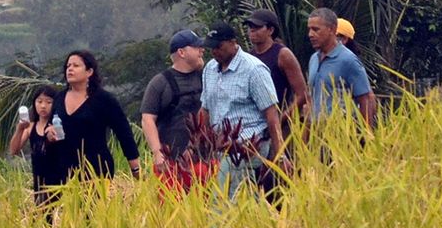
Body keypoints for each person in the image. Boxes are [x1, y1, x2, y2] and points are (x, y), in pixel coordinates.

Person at [201, 21, 290, 200]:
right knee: (244, 200)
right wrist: (200, 143)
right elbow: (205, 109)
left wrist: (280, 155)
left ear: (233, 42)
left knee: (224, 203)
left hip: (248, 148)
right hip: (220, 148)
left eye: (218, 46)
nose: (214, 51)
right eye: (211, 48)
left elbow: (271, 114)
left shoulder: (254, 69)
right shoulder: (210, 69)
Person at [50, 50, 140, 179]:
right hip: (64, 171)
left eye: (76, 66)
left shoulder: (104, 99)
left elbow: (124, 133)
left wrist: (135, 168)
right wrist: (49, 132)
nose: (70, 69)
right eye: (68, 66)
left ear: (89, 72)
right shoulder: (59, 98)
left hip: (97, 170)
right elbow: (48, 125)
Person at [141, 29, 205, 173]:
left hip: (204, 160)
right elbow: (147, 119)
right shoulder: (160, 83)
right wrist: (158, 153)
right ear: (181, 52)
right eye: (196, 47)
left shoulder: (207, 76)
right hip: (171, 163)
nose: (202, 50)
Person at [307, 8, 375, 126]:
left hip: (341, 134)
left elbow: (366, 98)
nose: (310, 34)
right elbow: (312, 100)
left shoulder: (348, 60)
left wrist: (366, 135)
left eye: (316, 29)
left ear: (332, 29)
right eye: (309, 29)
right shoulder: (314, 59)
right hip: (317, 134)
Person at [244, 9, 309, 121]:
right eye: (250, 27)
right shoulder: (249, 57)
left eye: (258, 27)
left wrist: (280, 119)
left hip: (281, 123)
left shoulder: (282, 54)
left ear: (270, 30)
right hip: (257, 125)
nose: (252, 30)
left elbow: (302, 94)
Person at [9, 85, 65, 207]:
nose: (43, 106)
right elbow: (14, 150)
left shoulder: (58, 125)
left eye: (48, 102)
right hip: (38, 178)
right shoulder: (30, 127)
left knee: (44, 212)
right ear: (34, 103)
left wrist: (55, 135)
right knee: (43, 218)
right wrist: (19, 130)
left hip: (58, 177)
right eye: (39, 101)